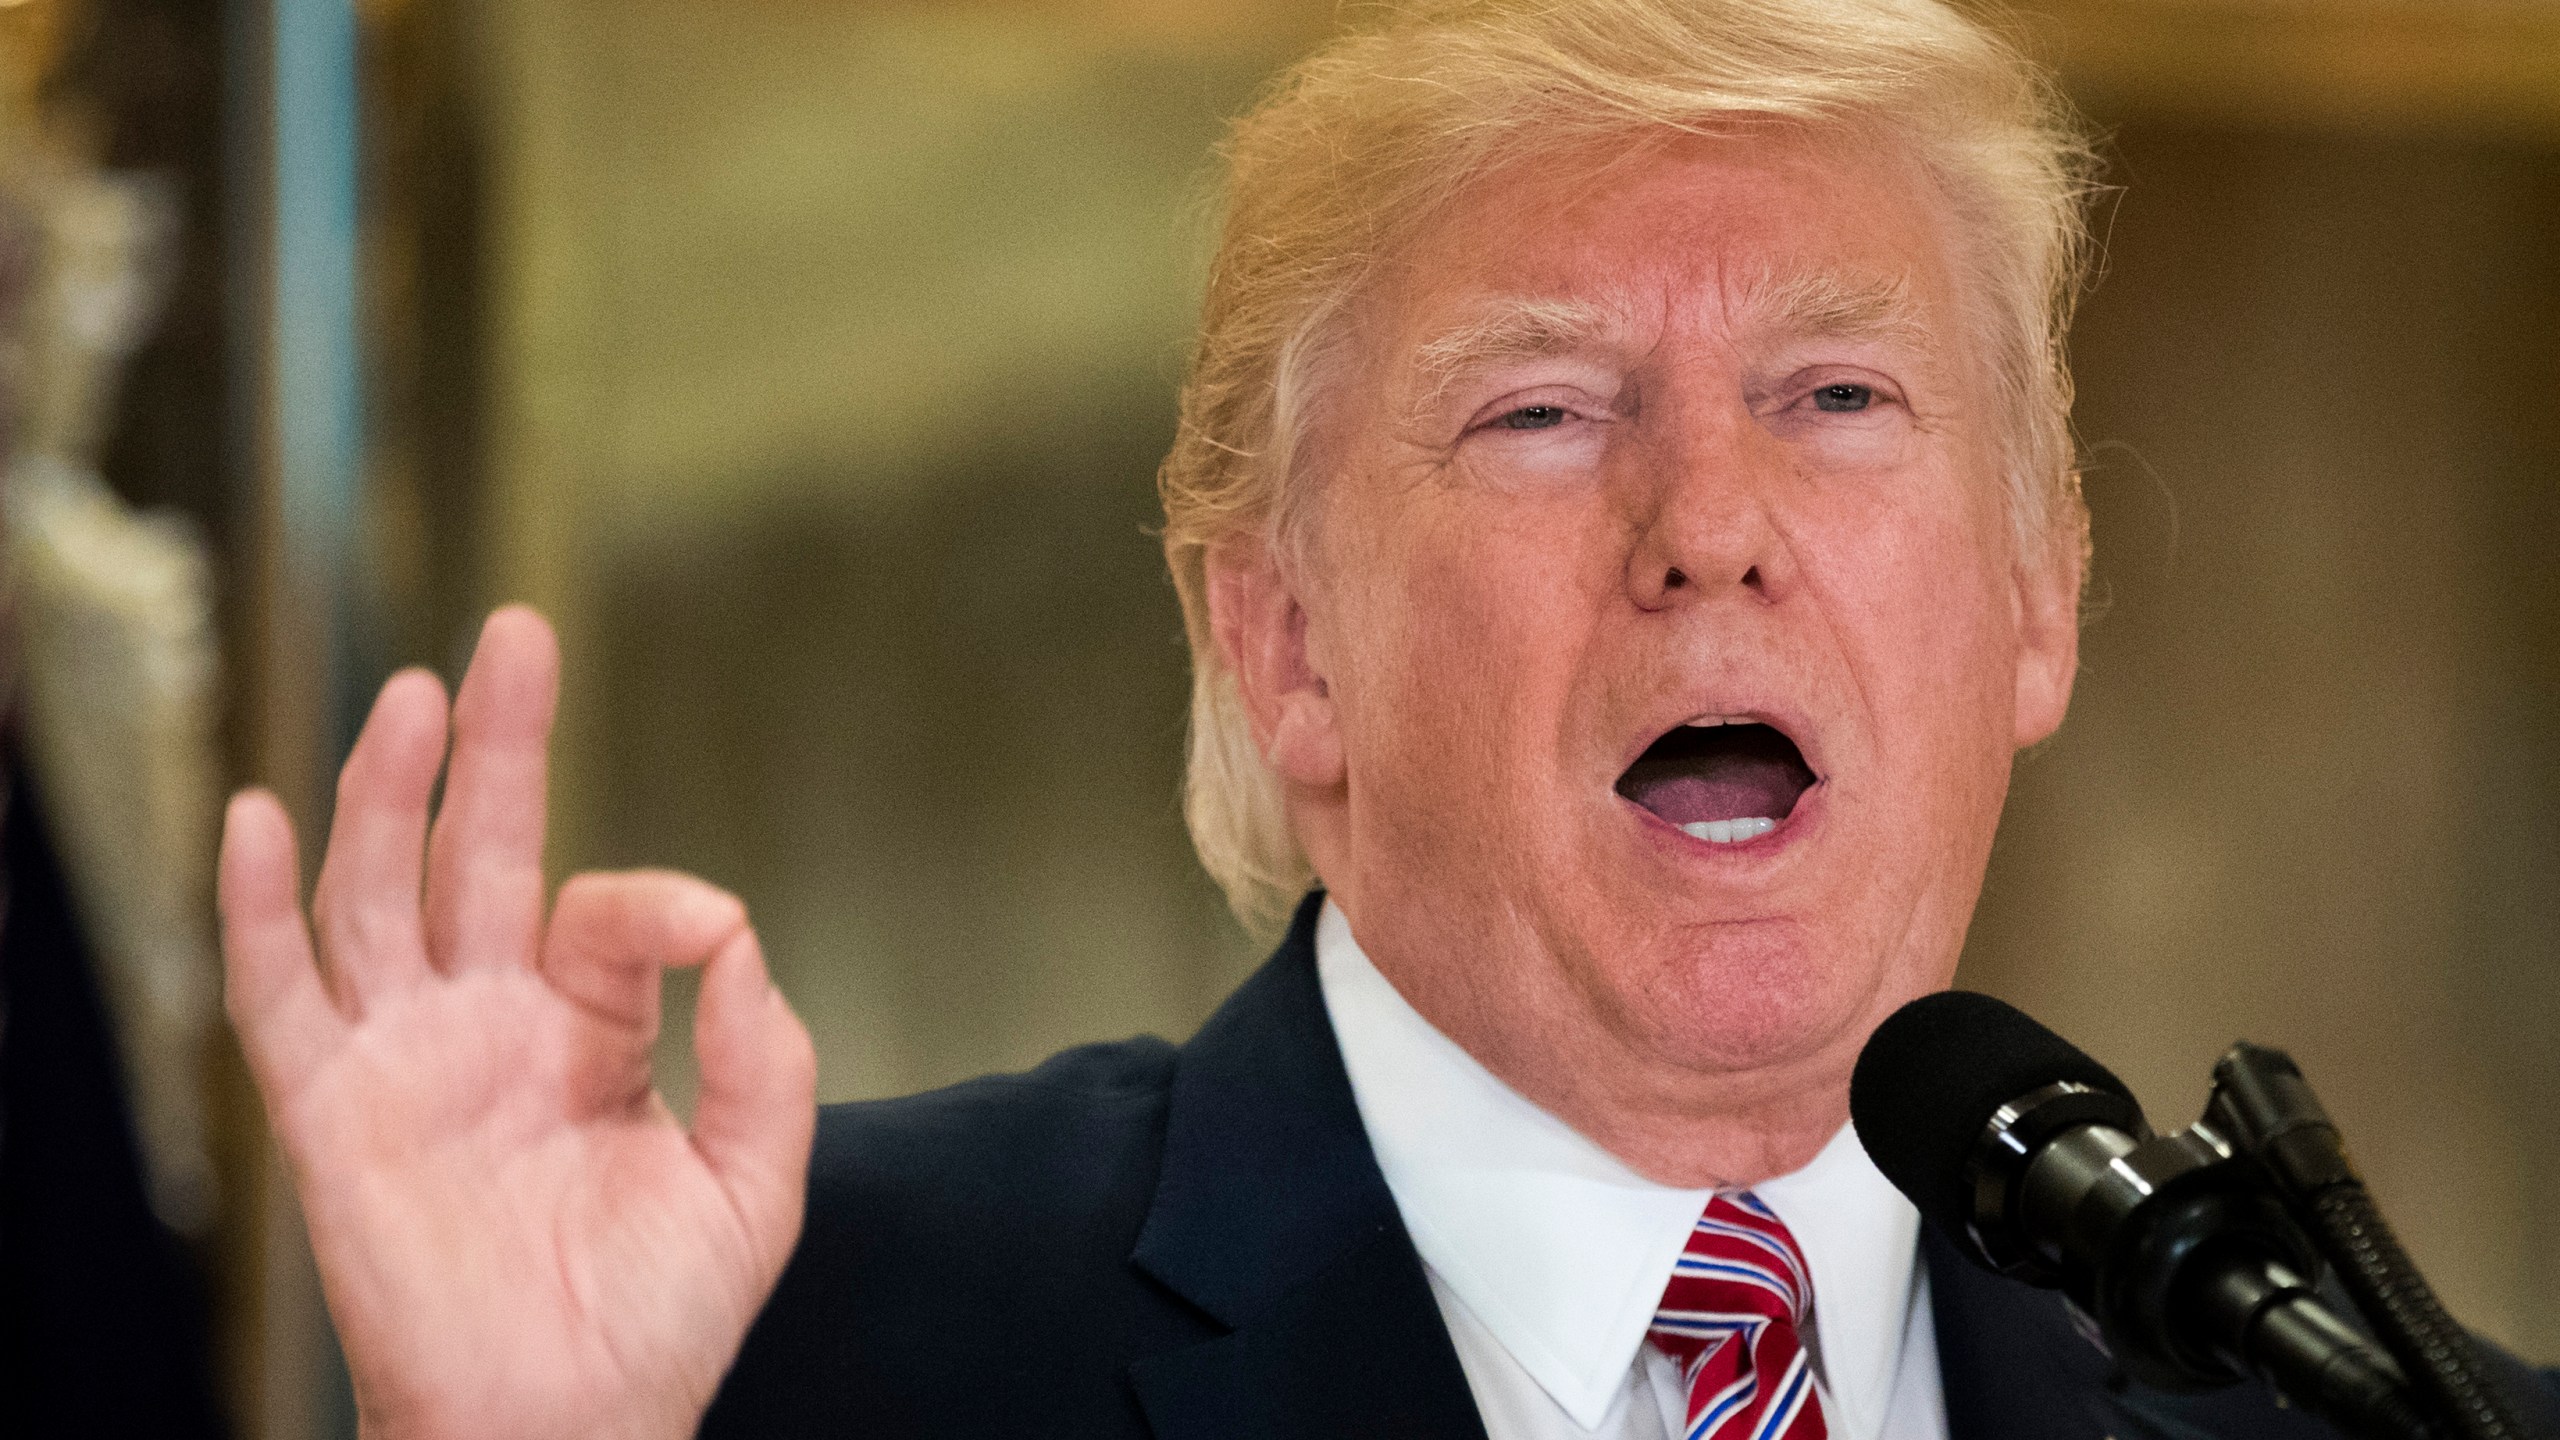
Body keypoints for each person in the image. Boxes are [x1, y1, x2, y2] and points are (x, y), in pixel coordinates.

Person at [216, 1, 2560, 1437]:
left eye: (1835, 393)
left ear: (2035, 601)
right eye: (1542, 413)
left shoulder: (2336, 1401)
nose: (1706, 526)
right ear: (1284, 645)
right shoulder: (780, 1351)